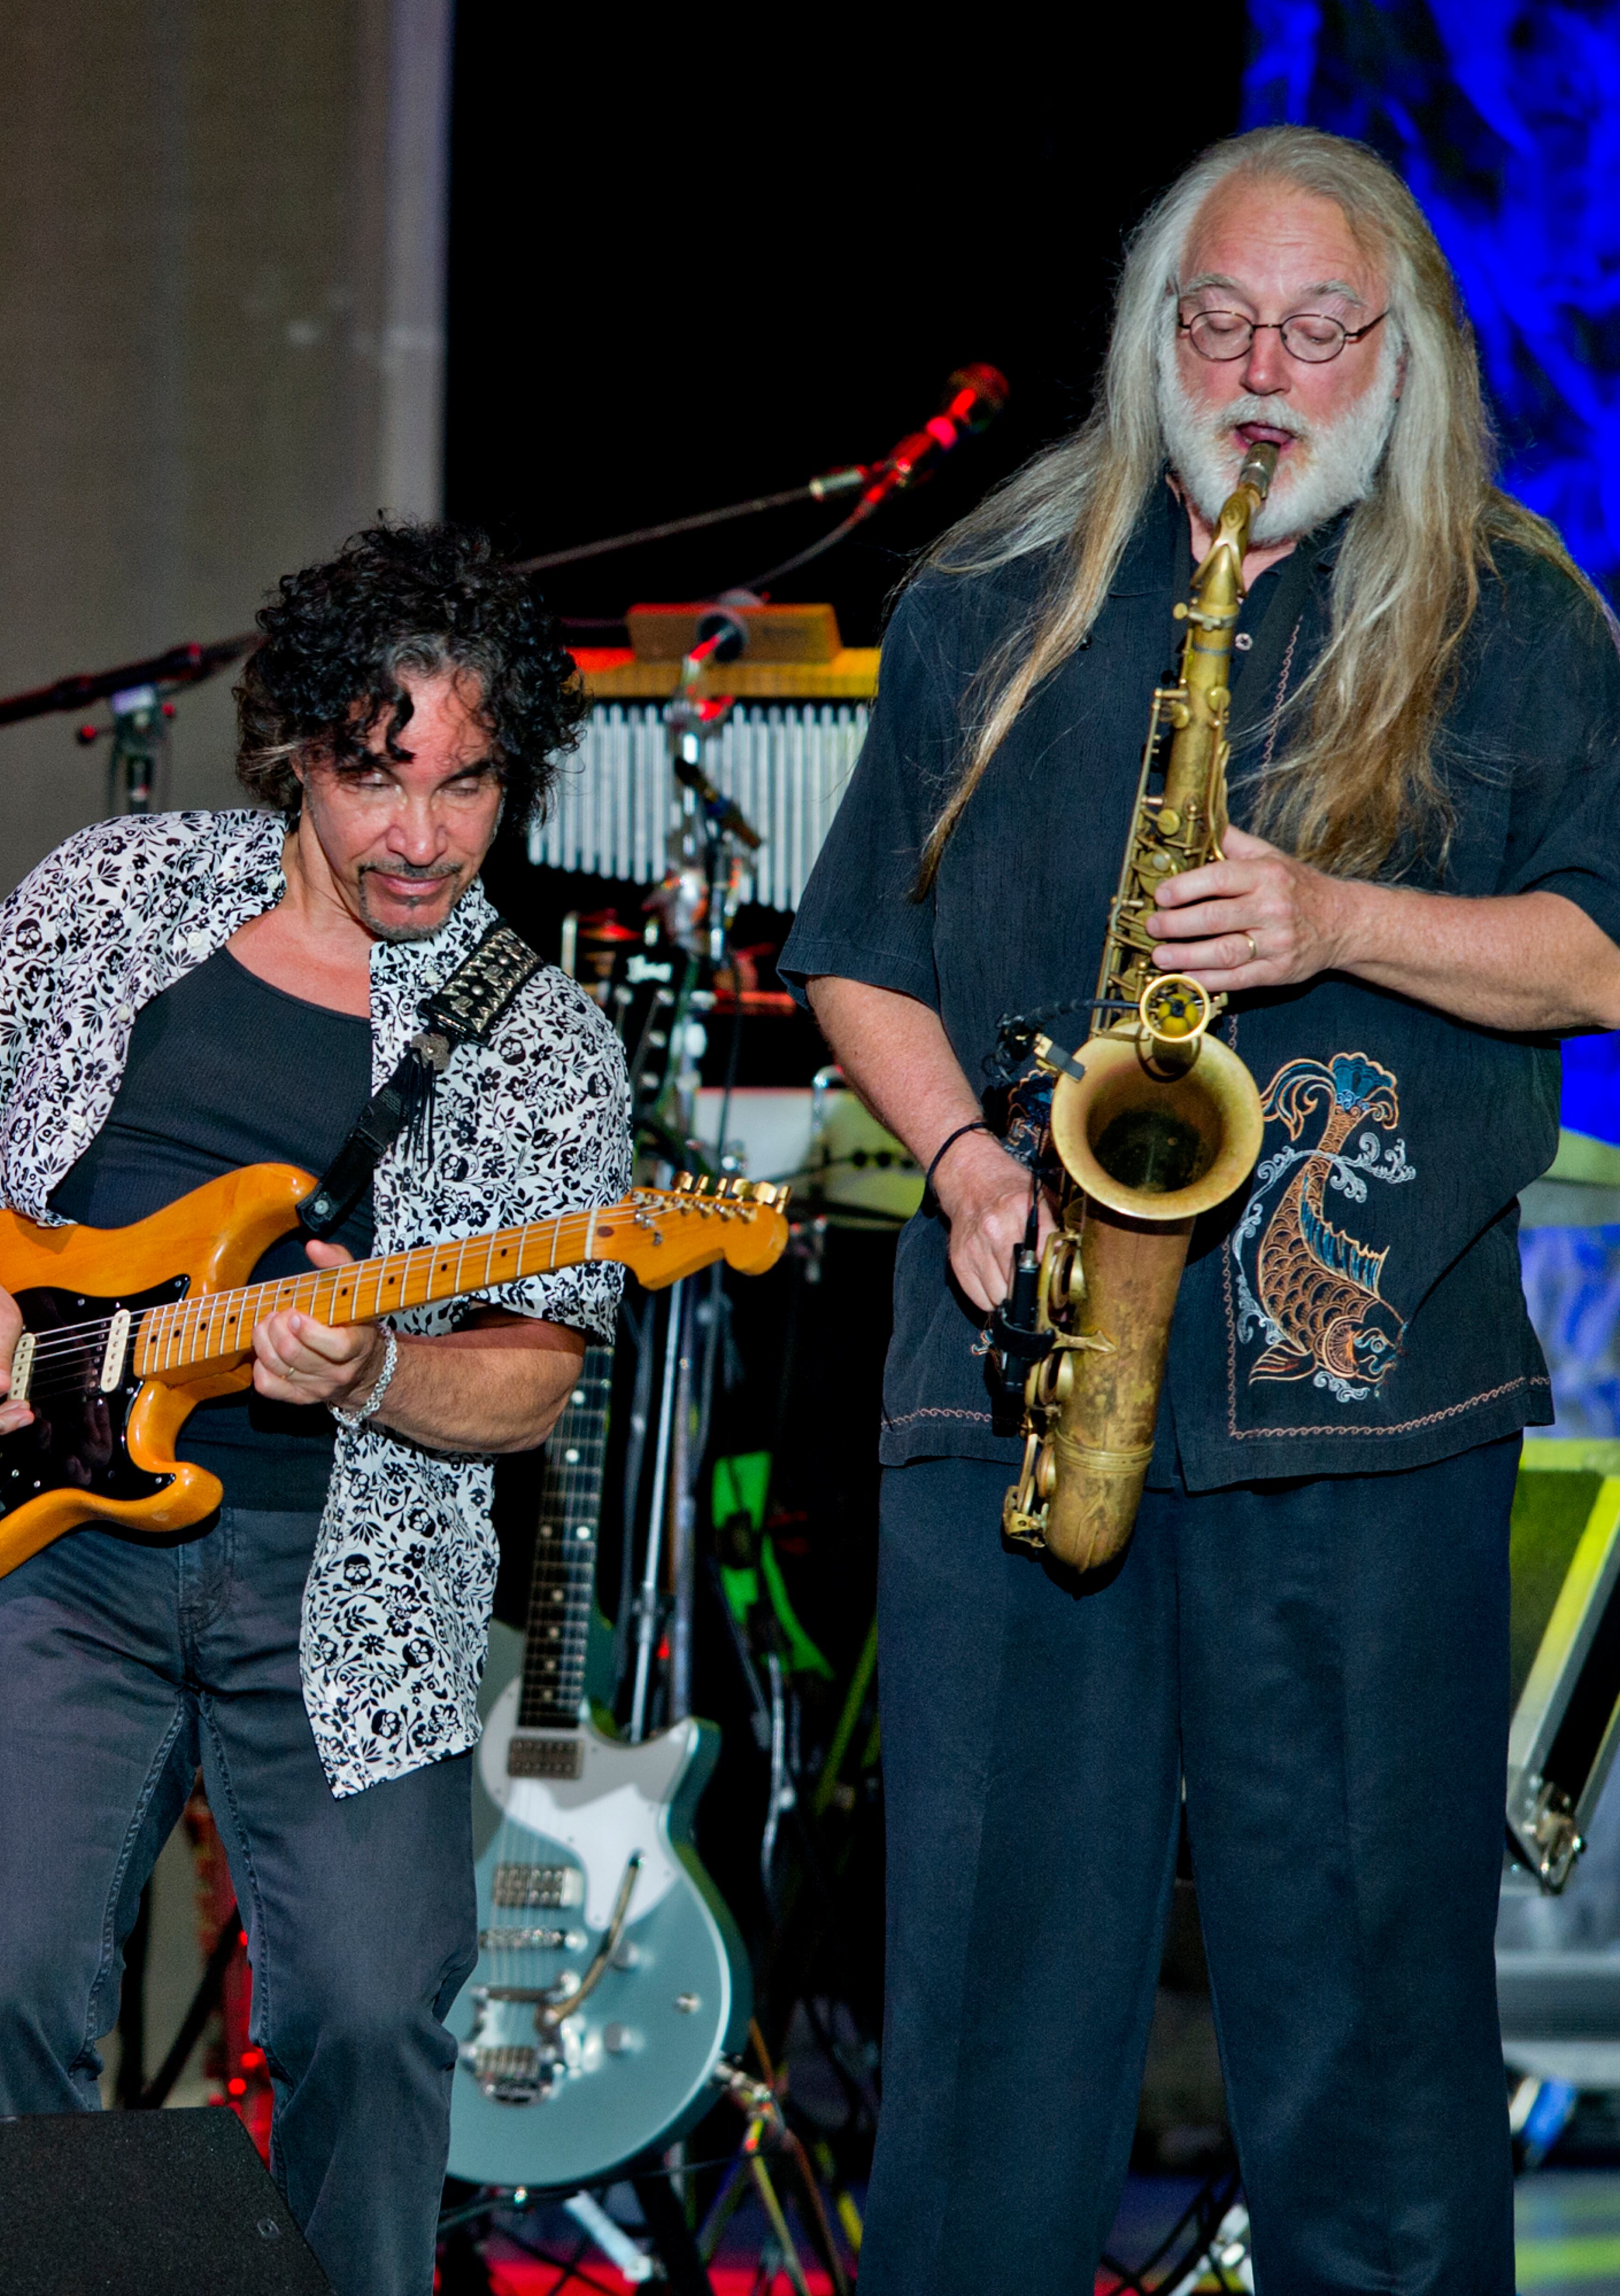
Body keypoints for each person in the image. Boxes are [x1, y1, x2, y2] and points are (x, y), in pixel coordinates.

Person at [781, 125, 1620, 2296]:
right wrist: (967, 1158)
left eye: (1317, 330)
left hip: (1370, 1411)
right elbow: (855, 947)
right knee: (981, 2039)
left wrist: (1338, 917)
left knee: (1376, 2049)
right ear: (1154, 335)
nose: (1262, 372)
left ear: (1404, 352)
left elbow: (1604, 953)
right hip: (1016, 1380)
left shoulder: (1520, 616)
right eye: (1220, 320)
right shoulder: (991, 599)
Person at [0, 523, 631, 2296]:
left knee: (370, 2017)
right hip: (54, 1545)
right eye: (375, 778)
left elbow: (532, 1377)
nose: (420, 834)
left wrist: (380, 1370)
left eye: (467, 784)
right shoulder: (117, 891)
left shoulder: (544, 1045)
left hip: (349, 1583)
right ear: (293, 754)